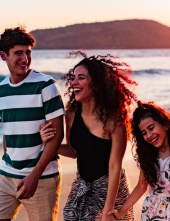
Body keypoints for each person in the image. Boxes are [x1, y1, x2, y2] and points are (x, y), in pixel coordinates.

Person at [40, 51, 138, 220]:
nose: (73, 82)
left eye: (81, 77)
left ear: (97, 84)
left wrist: (108, 211)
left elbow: (115, 167)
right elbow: (74, 151)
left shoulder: (114, 120)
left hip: (110, 190)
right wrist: (49, 142)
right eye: (73, 77)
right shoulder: (71, 114)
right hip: (82, 186)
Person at [0, 27, 65, 221]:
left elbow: (57, 135)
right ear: (4, 56)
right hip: (7, 173)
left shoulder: (46, 85)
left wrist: (34, 175)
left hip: (42, 176)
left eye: (28, 52)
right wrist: (9, 157)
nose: (25, 58)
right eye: (18, 53)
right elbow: (8, 131)